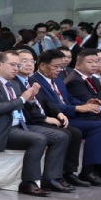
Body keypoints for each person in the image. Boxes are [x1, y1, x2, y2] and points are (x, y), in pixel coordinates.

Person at [0, 50, 67, 197]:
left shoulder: (13, 83)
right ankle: (28, 182)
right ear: (0, 65)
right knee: (39, 139)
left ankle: (50, 178)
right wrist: (23, 99)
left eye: (18, 65)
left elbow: (24, 107)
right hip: (3, 130)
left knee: (61, 136)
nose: (16, 68)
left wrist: (30, 99)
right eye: (13, 65)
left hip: (20, 125)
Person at [13, 48, 79, 192]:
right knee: (63, 135)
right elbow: (23, 108)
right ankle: (51, 177)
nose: (29, 64)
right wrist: (45, 118)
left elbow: (47, 101)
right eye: (24, 61)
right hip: (29, 122)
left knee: (72, 132)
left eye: (32, 61)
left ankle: (61, 175)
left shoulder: (31, 80)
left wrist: (58, 113)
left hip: (40, 119)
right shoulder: (13, 83)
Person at [53, 48, 101, 185]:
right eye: (90, 62)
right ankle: (88, 170)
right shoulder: (75, 80)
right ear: (78, 64)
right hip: (77, 117)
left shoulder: (92, 78)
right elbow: (90, 104)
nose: (95, 65)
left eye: (97, 61)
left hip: (88, 114)